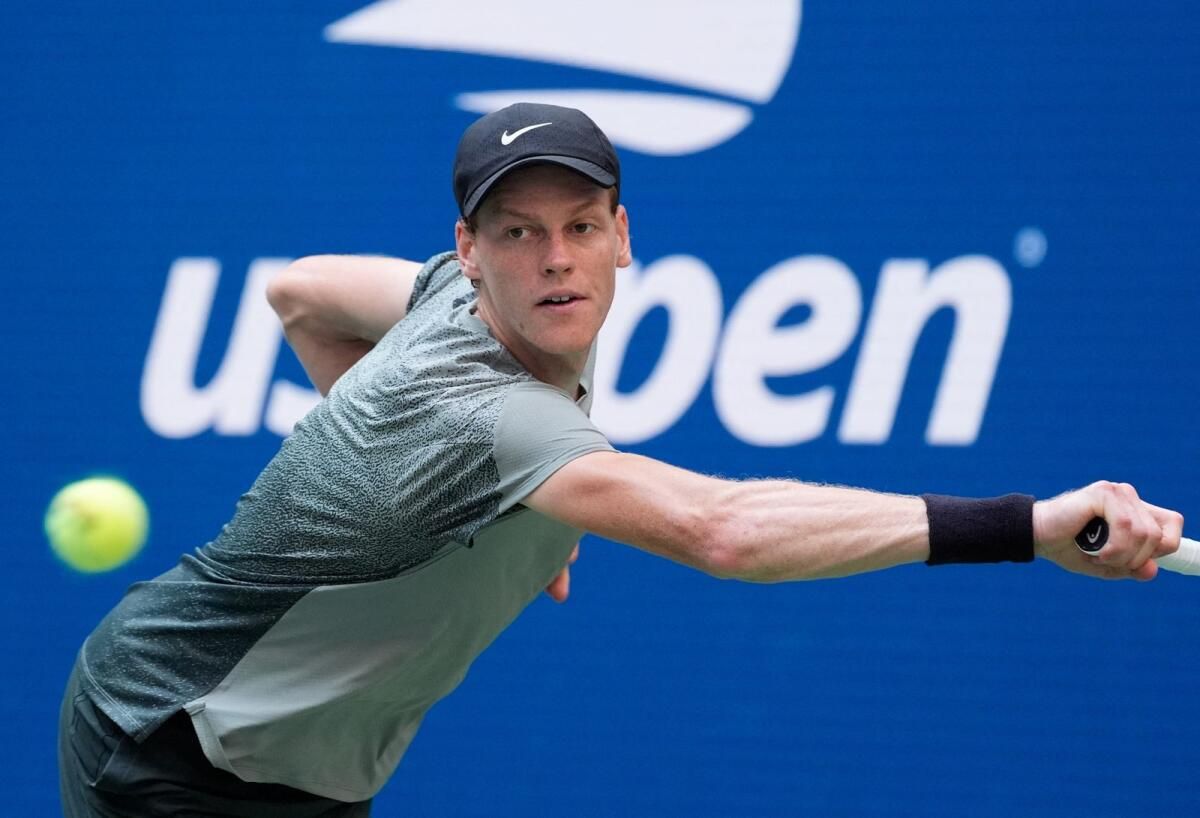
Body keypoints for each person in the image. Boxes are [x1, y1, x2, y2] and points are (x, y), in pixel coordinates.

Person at [59, 102, 1183, 816]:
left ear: (622, 235)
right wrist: (1031, 526)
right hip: (172, 742)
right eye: (517, 233)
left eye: (581, 226)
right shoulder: (485, 418)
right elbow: (724, 530)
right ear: (469, 250)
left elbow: (299, 291)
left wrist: (432, 503)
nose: (556, 259)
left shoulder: (454, 300)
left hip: (309, 764)